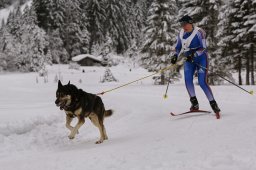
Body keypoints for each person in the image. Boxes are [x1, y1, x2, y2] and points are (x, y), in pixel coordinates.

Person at [171, 15, 221, 119]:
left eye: (185, 24)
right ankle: (194, 103)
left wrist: (194, 55)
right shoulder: (180, 33)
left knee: (202, 82)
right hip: (189, 60)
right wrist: (175, 55)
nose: (183, 26)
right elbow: (178, 47)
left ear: (190, 23)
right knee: (188, 80)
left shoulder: (199, 32)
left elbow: (204, 48)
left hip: (201, 58)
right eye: (181, 24)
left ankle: (214, 105)